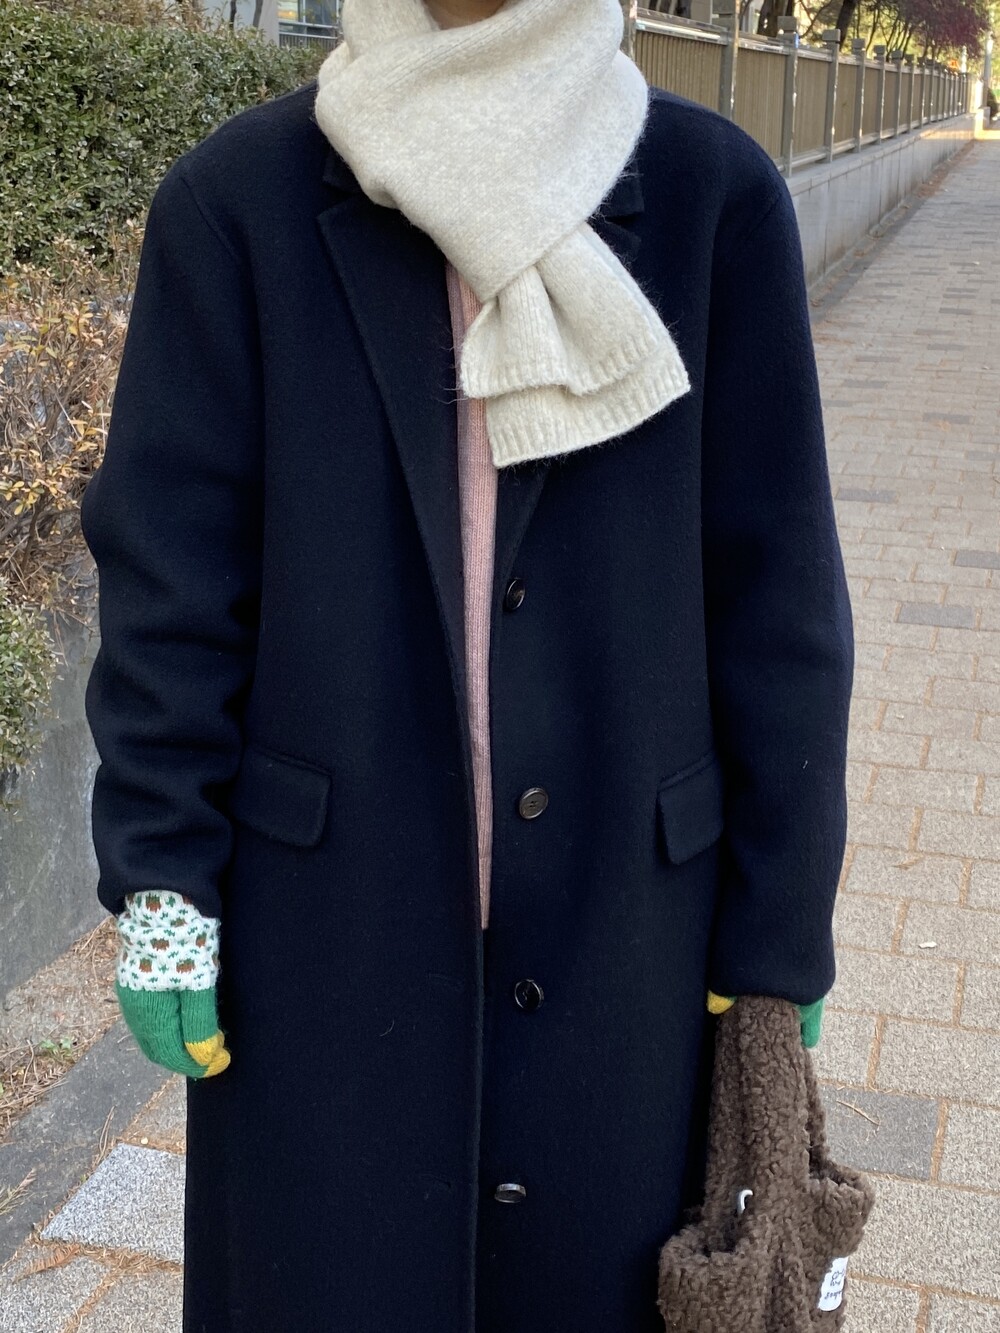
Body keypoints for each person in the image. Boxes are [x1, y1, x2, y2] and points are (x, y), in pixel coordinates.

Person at [79, 0, 854, 1329]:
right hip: (322, 941)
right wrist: (162, 876)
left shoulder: (713, 199)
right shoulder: (239, 204)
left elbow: (777, 597)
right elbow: (172, 584)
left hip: (633, 934)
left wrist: (781, 923)